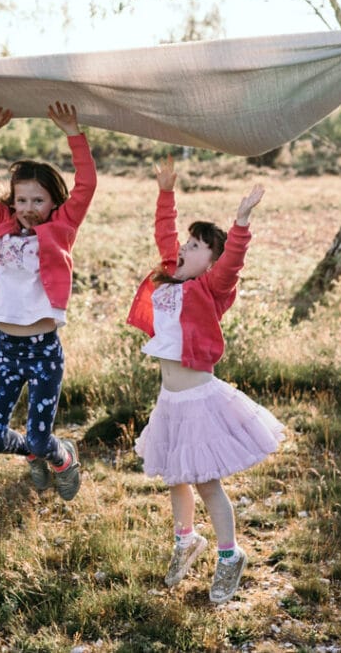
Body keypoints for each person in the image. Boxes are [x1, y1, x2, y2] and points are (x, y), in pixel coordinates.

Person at [128, 157, 285, 604]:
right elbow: (165, 235)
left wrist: (240, 222)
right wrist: (165, 192)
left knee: (205, 482)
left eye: (197, 246)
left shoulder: (211, 288)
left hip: (199, 399)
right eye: (188, 242)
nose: (184, 247)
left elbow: (232, 262)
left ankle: (230, 555)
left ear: (211, 262)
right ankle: (185, 540)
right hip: (170, 401)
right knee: (174, 475)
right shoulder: (169, 280)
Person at [0, 103, 97, 501]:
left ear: (53, 203)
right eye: (22, 201)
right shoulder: (0, 223)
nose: (29, 210)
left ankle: (61, 458)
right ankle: (35, 454)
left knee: (40, 434)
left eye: (38, 201)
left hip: (44, 351)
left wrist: (73, 131)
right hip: (7, 348)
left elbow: (86, 184)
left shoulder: (62, 228)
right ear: (12, 201)